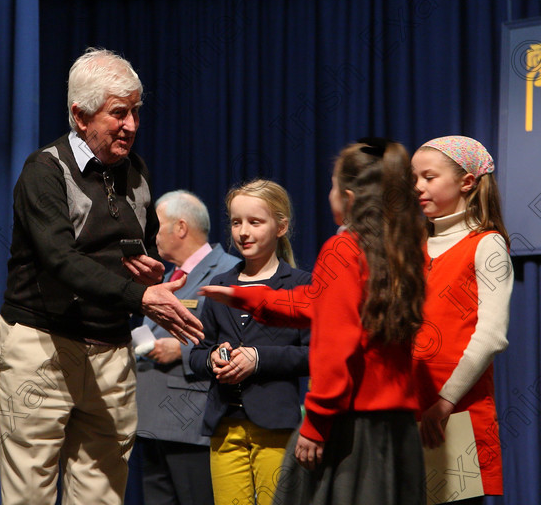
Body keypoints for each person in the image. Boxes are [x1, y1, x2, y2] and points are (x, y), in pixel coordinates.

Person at [0, 47, 204, 505]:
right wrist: (140, 297)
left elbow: (142, 248)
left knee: (102, 494)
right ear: (79, 114)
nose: (131, 124)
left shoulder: (137, 172)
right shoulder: (44, 170)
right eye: (118, 113)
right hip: (43, 344)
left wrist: (150, 273)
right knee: (29, 492)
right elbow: (61, 260)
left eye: (135, 111)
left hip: (111, 348)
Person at [201, 139, 427, 505]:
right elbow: (319, 304)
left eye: (333, 185)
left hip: (353, 425)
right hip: (397, 427)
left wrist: (316, 423)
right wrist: (247, 295)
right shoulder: (400, 248)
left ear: (349, 197)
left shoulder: (343, 249)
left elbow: (336, 342)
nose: (329, 193)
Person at [188, 179, 311, 505]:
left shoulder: (300, 284)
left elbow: (315, 354)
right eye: (236, 222)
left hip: (276, 428)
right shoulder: (221, 284)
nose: (243, 231)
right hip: (224, 426)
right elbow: (196, 354)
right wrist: (213, 356)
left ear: (281, 226)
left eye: (255, 222)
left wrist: (259, 358)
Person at [411, 136, 512, 503]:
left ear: (467, 182)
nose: (418, 187)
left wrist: (444, 402)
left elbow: (491, 335)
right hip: (408, 409)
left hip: (455, 413)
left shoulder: (486, 243)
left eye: (429, 177)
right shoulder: (412, 245)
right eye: (415, 178)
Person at [135, 190, 240, 505]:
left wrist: (179, 353)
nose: (152, 235)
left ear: (180, 228)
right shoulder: (169, 277)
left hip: (191, 424)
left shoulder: (229, 273)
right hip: (151, 422)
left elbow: (238, 344)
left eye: (157, 226)